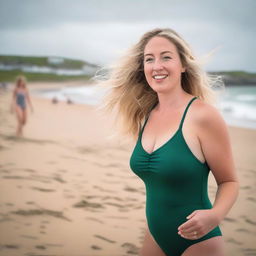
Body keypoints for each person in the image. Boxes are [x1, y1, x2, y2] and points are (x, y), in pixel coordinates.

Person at [98, 28, 239, 256]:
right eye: (149, 59)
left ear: (183, 65)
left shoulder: (203, 116)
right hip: (155, 237)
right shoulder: (145, 115)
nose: (157, 66)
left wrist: (215, 216)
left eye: (166, 57)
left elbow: (229, 181)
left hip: (199, 243)